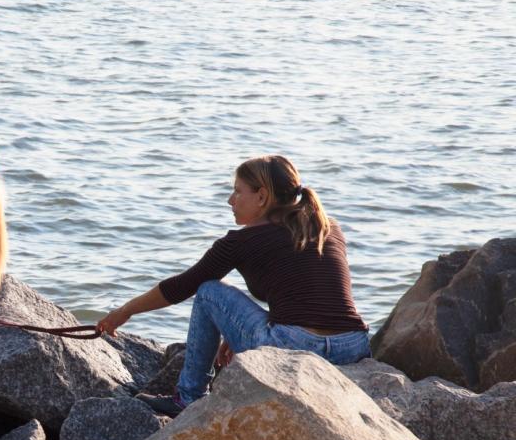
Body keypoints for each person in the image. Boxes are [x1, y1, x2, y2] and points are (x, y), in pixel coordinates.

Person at [96, 155, 370, 415]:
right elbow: (304, 291)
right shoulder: (327, 227)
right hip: (353, 346)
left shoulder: (240, 242)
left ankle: (188, 397)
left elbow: (181, 287)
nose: (230, 200)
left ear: (262, 196)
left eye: (238, 192)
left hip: (294, 347)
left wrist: (125, 311)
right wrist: (232, 329)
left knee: (208, 291)